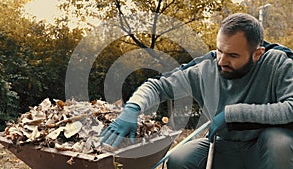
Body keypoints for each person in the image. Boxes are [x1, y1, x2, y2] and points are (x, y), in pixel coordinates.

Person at [101, 13, 293, 169]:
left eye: (233, 55)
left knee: (279, 143)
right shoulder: (205, 68)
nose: (222, 61)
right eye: (220, 51)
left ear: (257, 54)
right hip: (224, 145)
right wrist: (133, 108)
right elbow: (158, 85)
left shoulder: (279, 62)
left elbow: (290, 107)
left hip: (264, 149)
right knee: (180, 159)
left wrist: (230, 115)